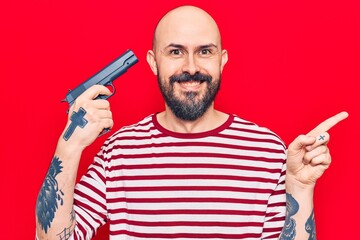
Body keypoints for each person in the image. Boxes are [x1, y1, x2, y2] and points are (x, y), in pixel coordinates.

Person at [35, 5, 348, 240]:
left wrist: (301, 188)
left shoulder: (267, 150)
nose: (191, 66)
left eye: (204, 51)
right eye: (175, 52)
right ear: (153, 62)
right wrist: (70, 144)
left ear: (221, 60)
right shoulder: (118, 151)